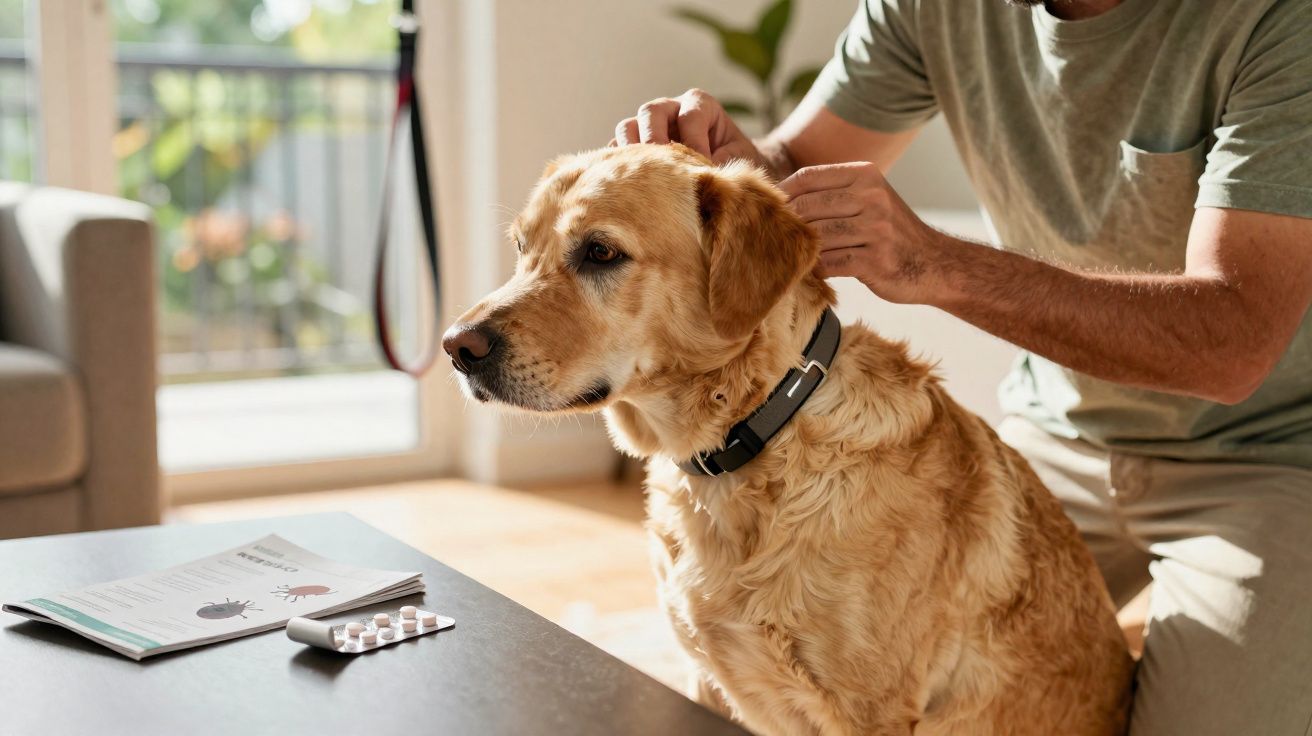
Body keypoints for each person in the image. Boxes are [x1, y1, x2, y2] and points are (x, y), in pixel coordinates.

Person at [612, 1, 1312, 733]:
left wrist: (933, 263)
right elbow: (793, 164)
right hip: (1057, 434)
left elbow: (1232, 346)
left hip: (1265, 460)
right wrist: (736, 166)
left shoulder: (1278, 22)